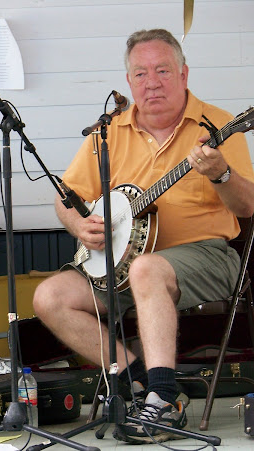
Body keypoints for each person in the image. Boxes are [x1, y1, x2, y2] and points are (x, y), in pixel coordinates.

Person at [33, 29, 254, 444]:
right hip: (122, 263)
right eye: (140, 73)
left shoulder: (220, 126)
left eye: (163, 70)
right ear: (130, 81)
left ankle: (164, 401)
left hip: (205, 257)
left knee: (147, 268)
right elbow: (69, 197)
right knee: (50, 297)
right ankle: (140, 383)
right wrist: (79, 225)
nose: (152, 82)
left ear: (184, 74)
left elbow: (247, 206)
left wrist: (220, 173)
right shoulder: (108, 132)